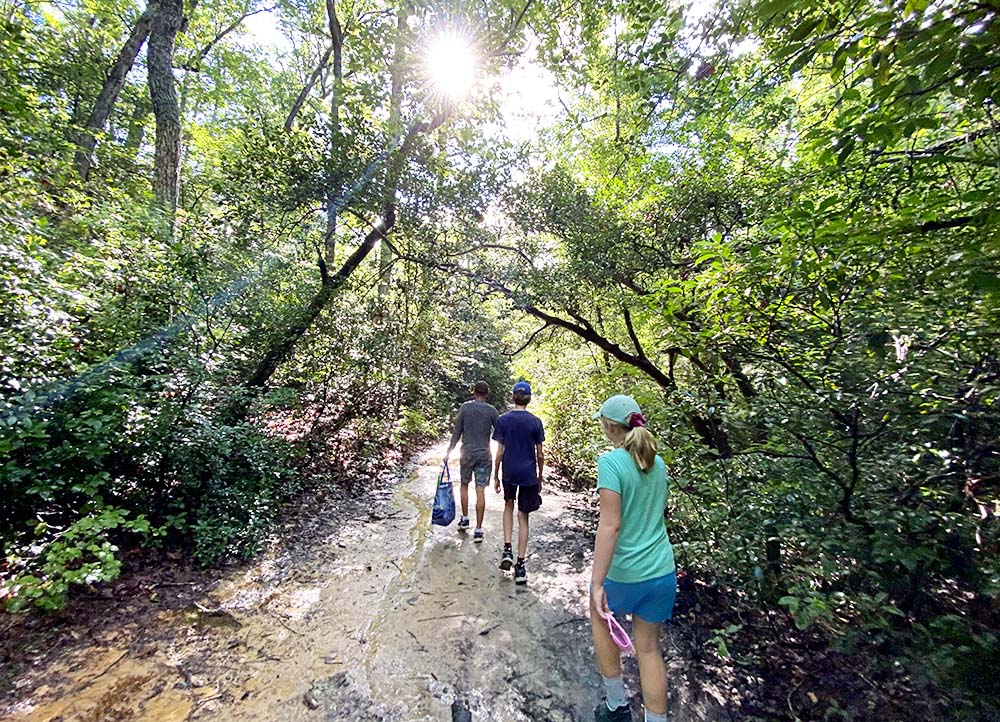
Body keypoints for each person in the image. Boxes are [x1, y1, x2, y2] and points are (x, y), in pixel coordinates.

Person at [589, 395, 676, 722]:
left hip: (625, 573)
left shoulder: (611, 463)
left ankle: (615, 705)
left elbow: (611, 525)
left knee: (599, 616)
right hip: (661, 571)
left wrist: (597, 583)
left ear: (610, 425)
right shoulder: (658, 463)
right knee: (650, 650)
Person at [492, 380, 545, 585]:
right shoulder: (535, 422)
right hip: (528, 474)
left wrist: (496, 474)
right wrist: (540, 476)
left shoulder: (503, 420)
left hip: (510, 472)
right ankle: (520, 566)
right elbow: (540, 454)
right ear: (529, 399)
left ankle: (507, 550)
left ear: (513, 397)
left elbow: (499, 452)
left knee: (508, 505)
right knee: (523, 516)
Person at [444, 381, 499, 543]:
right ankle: (479, 529)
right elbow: (500, 435)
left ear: (473, 391)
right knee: (480, 490)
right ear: (487, 394)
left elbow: (457, 432)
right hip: (484, 454)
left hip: (466, 453)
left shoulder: (465, 408)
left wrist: (449, 452)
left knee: (464, 485)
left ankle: (465, 518)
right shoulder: (492, 411)